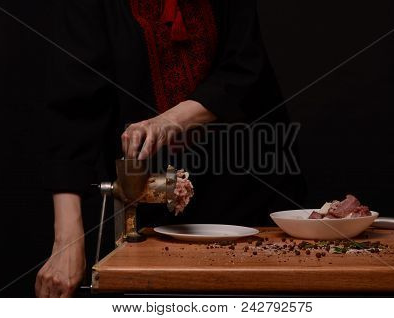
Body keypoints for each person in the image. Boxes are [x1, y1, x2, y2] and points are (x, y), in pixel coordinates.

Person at [37, 0, 305, 297]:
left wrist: (170, 120)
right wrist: (66, 242)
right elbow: (73, 114)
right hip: (142, 214)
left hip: (247, 196)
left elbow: (243, 68)